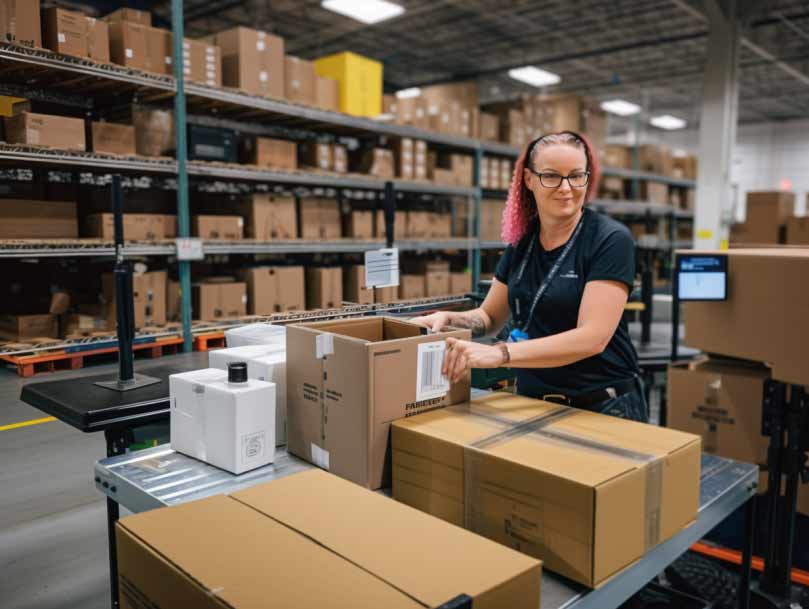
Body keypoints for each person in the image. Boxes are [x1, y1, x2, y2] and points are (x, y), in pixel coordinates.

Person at [411, 131, 647, 422]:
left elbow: (592, 338)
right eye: (551, 176)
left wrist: (502, 354)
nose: (566, 188)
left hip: (602, 405)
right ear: (528, 179)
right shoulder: (523, 243)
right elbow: (489, 317)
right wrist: (450, 319)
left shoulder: (609, 239)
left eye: (576, 176)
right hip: (534, 402)